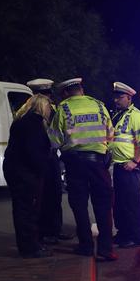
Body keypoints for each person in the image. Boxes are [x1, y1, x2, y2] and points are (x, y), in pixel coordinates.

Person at [47, 78, 117, 261]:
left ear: (65, 93)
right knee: (103, 205)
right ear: (81, 90)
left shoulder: (64, 108)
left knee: (79, 204)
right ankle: (106, 249)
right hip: (98, 162)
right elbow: (110, 134)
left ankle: (85, 246)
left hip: (74, 163)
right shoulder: (99, 106)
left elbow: (54, 141)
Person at [3, 94, 54, 258]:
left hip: (15, 169)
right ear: (42, 107)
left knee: (21, 208)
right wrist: (43, 168)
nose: (49, 110)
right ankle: (30, 248)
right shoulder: (34, 123)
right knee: (28, 210)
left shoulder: (20, 120)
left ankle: (28, 245)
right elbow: (34, 152)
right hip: (26, 172)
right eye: (48, 107)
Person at [25, 78, 73, 245]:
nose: (49, 98)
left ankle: (55, 229)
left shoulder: (53, 109)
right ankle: (45, 232)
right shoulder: (31, 112)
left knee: (55, 194)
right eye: (46, 95)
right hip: (42, 156)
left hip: (51, 156)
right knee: (44, 196)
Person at [109, 82, 140, 248]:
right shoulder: (117, 115)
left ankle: (135, 237)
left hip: (129, 168)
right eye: (115, 97)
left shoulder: (136, 116)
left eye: (120, 97)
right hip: (119, 166)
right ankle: (123, 234)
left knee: (132, 203)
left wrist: (135, 161)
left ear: (129, 97)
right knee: (120, 203)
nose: (116, 100)